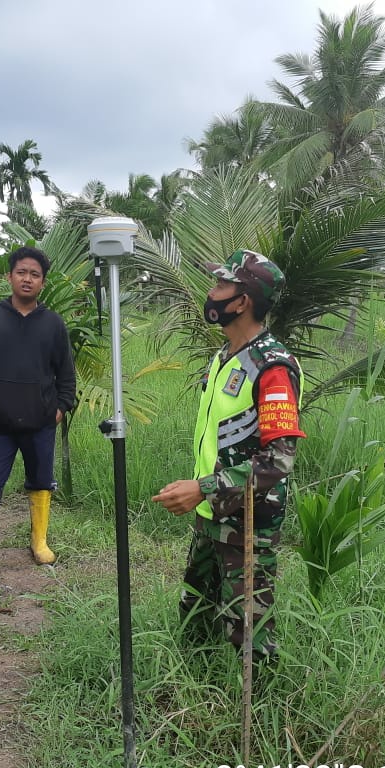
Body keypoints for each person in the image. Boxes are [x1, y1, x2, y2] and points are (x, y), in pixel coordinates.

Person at [152, 250, 305, 660]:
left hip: (248, 523)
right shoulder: (223, 358)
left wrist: (202, 489)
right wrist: (203, 495)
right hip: (211, 515)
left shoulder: (271, 367)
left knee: (250, 636)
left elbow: (279, 461)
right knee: (194, 614)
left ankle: (262, 718)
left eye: (222, 285)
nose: (211, 293)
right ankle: (191, 694)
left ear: (243, 302)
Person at [0, 246, 76, 566]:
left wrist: (59, 408)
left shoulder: (53, 323)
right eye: (21, 272)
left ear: (43, 283)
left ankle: (39, 542)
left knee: (41, 480)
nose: (27, 279)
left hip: (41, 421)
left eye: (35, 275)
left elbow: (66, 373)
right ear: (9, 276)